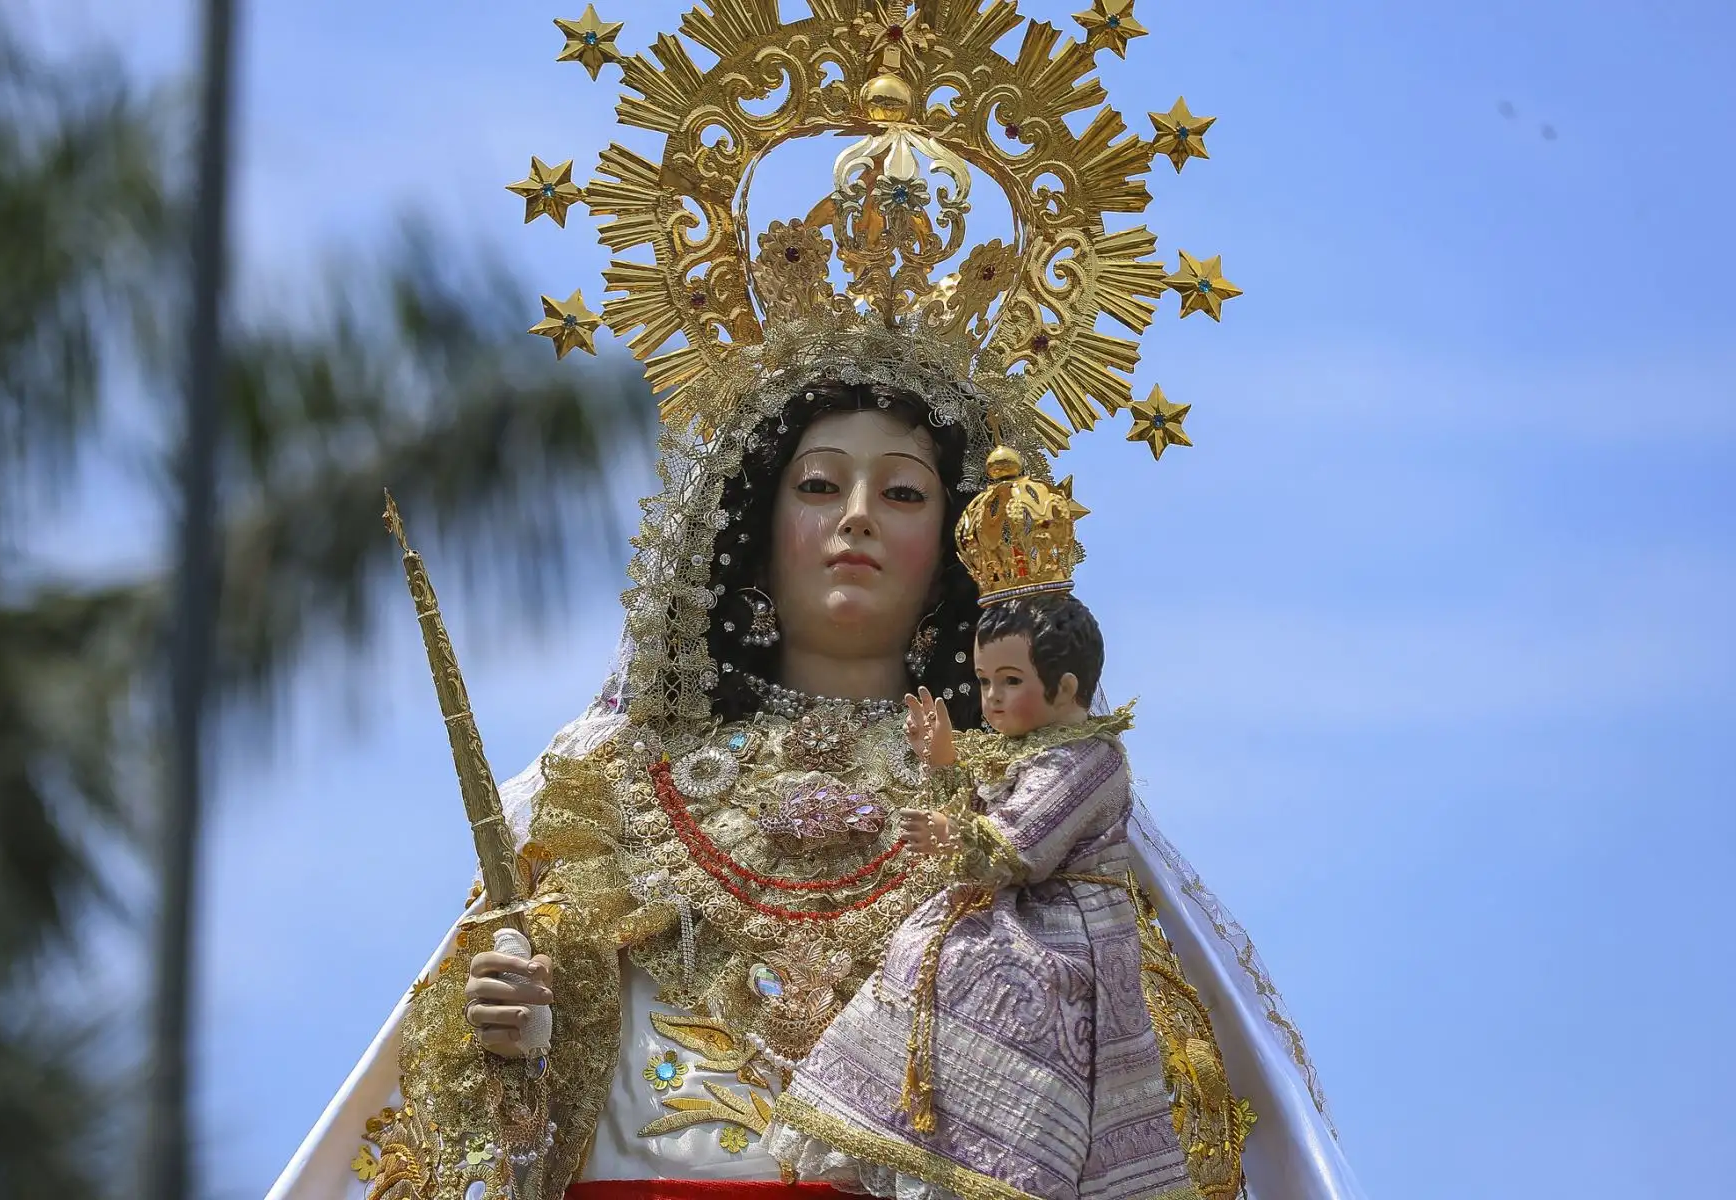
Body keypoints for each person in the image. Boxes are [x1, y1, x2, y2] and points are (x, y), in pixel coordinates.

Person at [267, 3, 1366, 1198]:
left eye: (902, 493)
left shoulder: (1036, 810)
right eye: (819, 485)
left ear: (956, 545)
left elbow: (1137, 1125)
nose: (856, 518)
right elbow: (499, 1154)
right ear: (751, 527)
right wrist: (514, 1052)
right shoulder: (607, 795)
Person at [764, 458, 1196, 1200]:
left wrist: (958, 835)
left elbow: (1022, 843)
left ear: (1066, 686)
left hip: (1065, 936)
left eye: (1010, 682)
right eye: (986, 681)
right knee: (924, 953)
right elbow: (982, 814)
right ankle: (918, 1131)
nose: (990, 700)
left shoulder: (1089, 760)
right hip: (1002, 905)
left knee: (995, 978)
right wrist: (943, 762)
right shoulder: (1022, 752)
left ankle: (999, 1154)